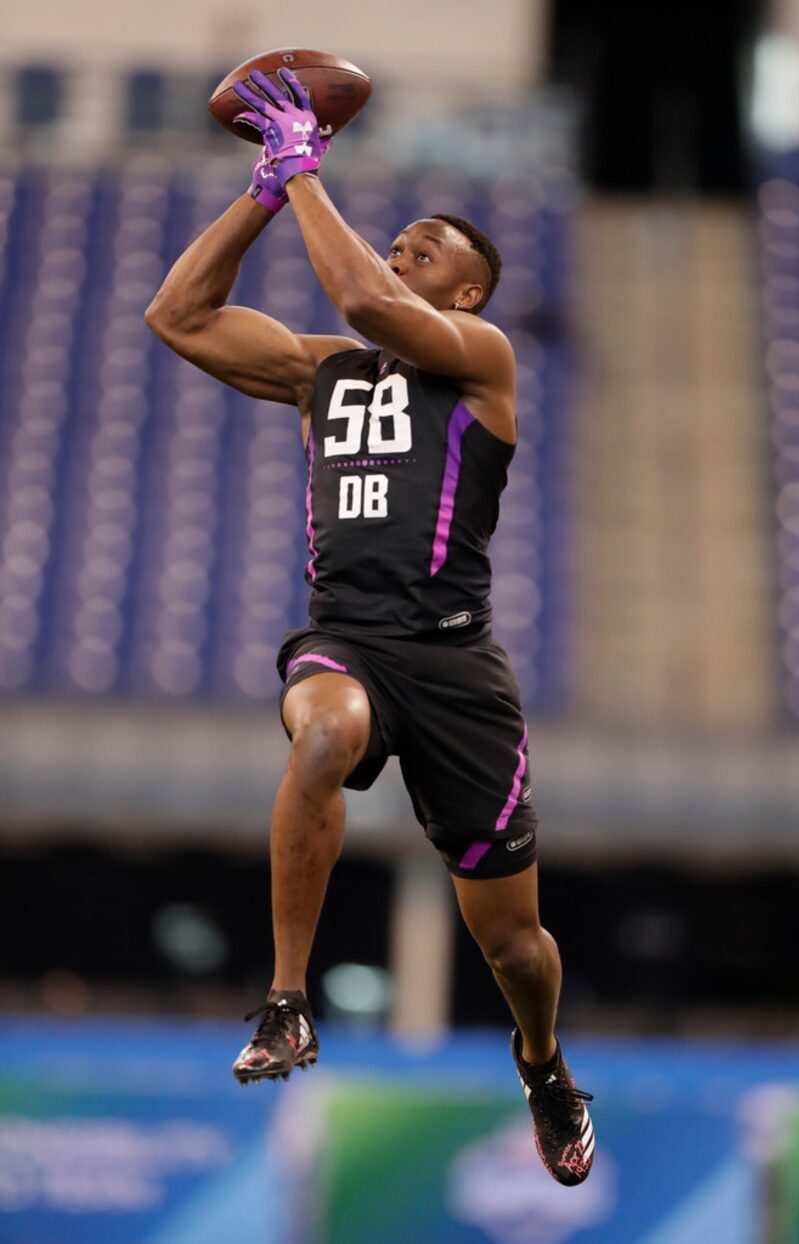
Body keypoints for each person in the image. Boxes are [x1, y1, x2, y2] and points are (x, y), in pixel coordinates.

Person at [145, 67, 594, 1186]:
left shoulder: (479, 364)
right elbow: (177, 316)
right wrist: (261, 190)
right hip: (347, 635)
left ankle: (539, 1061)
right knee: (321, 736)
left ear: (471, 295)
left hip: (453, 662)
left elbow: (361, 302)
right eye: (399, 239)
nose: (402, 250)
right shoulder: (322, 373)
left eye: (428, 248)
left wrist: (304, 173)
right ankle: (288, 999)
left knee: (513, 946)